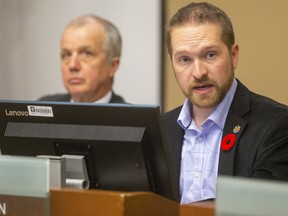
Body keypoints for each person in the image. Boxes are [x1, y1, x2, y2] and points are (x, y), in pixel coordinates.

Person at [163, 2, 288, 204]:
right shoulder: (160, 130)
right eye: (184, 59)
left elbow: (263, 209)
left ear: (233, 55)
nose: (198, 72)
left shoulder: (277, 125)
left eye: (210, 55)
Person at [39, 14, 125, 103]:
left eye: (87, 54)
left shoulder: (130, 116)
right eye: (67, 55)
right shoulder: (44, 106)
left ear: (113, 66)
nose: (72, 65)